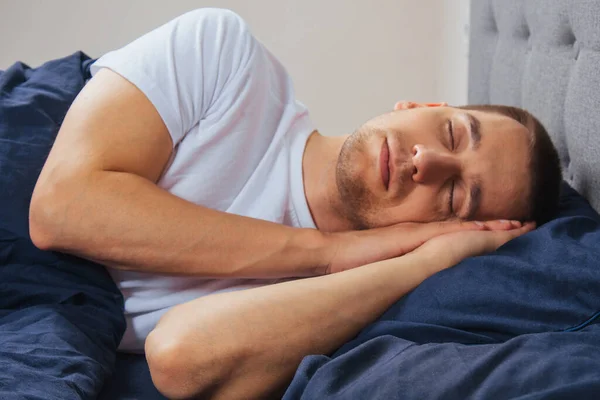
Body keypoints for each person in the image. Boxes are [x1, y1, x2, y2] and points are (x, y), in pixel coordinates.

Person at [28, 8, 561, 399]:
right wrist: (323, 251)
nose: (427, 162)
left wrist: (423, 264)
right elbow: (59, 208)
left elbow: (179, 356)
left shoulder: (334, 307)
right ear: (420, 103)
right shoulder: (225, 59)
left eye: (454, 196)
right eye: (451, 131)